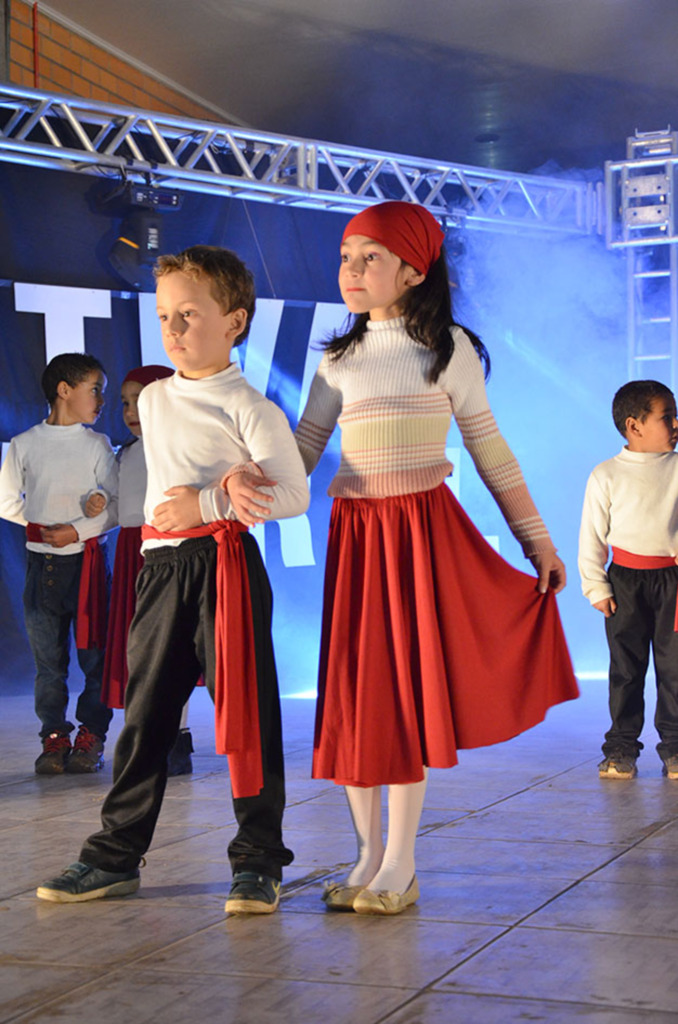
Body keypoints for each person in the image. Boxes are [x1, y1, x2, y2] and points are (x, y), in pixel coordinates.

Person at [239, 200, 578, 915]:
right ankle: (364, 855)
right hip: (359, 543)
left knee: (408, 698)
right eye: (344, 257)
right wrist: (238, 494)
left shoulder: (447, 348)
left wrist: (536, 540)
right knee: (360, 698)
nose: (351, 271)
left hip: (422, 538)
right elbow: (300, 454)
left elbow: (490, 449)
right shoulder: (337, 359)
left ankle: (401, 861)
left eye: (370, 258)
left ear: (413, 270)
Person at [36, 245, 310, 913]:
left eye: (190, 314)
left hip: (225, 567)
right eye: (165, 316)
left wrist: (213, 502)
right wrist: (217, 488)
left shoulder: (253, 408)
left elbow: (294, 495)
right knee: (147, 718)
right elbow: (169, 487)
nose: (175, 329)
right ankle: (114, 856)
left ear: (234, 322)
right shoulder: (155, 399)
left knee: (247, 718)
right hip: (161, 570)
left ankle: (258, 861)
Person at [0, 352, 117, 774]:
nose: (101, 400)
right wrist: (44, 527)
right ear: (63, 390)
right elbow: (7, 501)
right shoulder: (25, 444)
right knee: (48, 664)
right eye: (95, 390)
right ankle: (54, 735)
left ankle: (92, 735)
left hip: (86, 568)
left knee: (95, 659)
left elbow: (117, 505)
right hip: (41, 569)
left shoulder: (97, 445)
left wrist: (79, 529)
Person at [93, 364, 195, 775]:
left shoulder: (178, 447)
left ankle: (177, 739)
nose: (131, 410)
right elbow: (121, 509)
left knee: (173, 647)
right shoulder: (128, 454)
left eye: (141, 400)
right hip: (132, 552)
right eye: (124, 402)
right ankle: (143, 735)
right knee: (139, 649)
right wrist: (88, 517)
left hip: (170, 552)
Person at [578, 379, 678, 781]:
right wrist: (596, 586)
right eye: (667, 417)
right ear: (634, 427)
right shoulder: (606, 475)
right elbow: (591, 535)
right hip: (625, 584)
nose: (675, 424)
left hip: (672, 582)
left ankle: (674, 747)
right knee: (626, 669)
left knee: (674, 670)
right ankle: (621, 748)